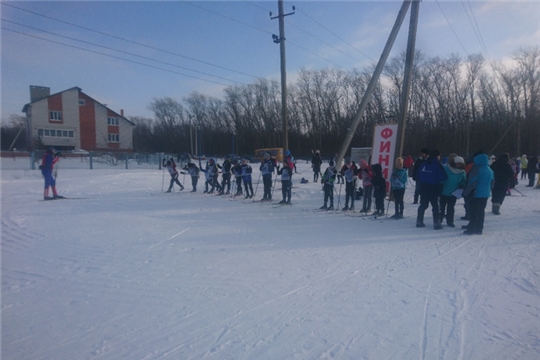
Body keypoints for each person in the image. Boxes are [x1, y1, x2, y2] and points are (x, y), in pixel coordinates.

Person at [462, 153, 494, 235]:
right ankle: (479, 228)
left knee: (473, 212)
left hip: (476, 193)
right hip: (485, 193)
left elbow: (472, 182)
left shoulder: (477, 169)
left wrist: (465, 193)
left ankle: (471, 228)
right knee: (481, 211)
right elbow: (492, 182)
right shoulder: (490, 170)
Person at [416, 149, 447, 229]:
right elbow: (443, 177)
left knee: (423, 205)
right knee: (435, 206)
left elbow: (418, 174)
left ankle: (419, 221)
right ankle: (437, 223)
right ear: (437, 156)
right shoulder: (437, 165)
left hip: (424, 187)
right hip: (434, 188)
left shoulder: (423, 164)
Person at [440, 155, 466, 227]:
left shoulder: (462, 172)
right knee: (441, 207)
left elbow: (464, 180)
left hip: (454, 193)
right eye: (457, 163)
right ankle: (439, 220)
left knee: (451, 208)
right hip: (443, 191)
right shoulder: (446, 168)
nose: (458, 165)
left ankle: (450, 221)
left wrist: (462, 185)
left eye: (460, 164)